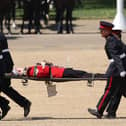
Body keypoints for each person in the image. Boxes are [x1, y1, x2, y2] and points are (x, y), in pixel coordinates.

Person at [88, 21, 126, 119]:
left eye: (102, 30)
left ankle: (99, 110)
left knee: (109, 90)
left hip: (116, 69)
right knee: (119, 91)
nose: (100, 32)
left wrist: (121, 70)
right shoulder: (113, 38)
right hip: (120, 67)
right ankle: (111, 112)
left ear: (108, 30)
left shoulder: (111, 41)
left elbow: (116, 57)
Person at [0, 33, 31, 120]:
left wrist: (4, 71)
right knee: (5, 87)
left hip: (4, 64)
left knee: (4, 86)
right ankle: (6, 104)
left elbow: (3, 56)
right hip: (5, 63)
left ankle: (4, 104)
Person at [12, 61, 94, 79]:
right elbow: (44, 72)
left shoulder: (31, 69)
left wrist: (45, 64)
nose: (21, 68)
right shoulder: (31, 72)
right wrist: (44, 65)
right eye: (19, 70)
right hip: (58, 73)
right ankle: (97, 76)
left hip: (58, 71)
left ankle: (95, 75)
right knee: (80, 74)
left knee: (80, 73)